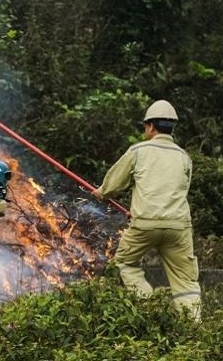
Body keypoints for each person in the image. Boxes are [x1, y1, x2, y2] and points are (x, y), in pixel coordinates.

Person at [94, 100, 201, 321]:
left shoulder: (138, 151)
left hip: (145, 225)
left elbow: (114, 185)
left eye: (145, 126)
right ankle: (193, 329)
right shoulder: (184, 157)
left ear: (151, 126)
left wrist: (102, 192)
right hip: (179, 228)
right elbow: (179, 190)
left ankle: (150, 306)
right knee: (186, 281)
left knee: (124, 263)